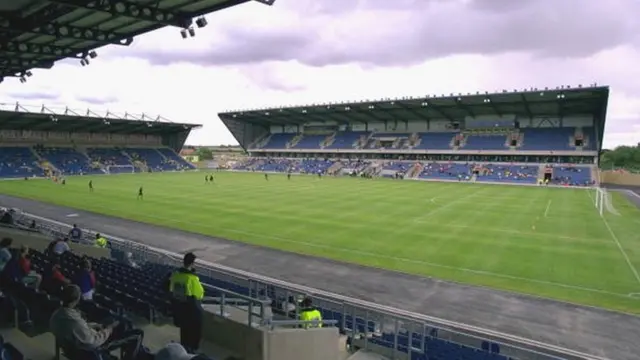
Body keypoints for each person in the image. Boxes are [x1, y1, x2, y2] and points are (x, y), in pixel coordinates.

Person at [50, 285, 143, 360]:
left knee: (116, 323)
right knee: (138, 333)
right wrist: (108, 329)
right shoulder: (74, 321)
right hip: (91, 350)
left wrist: (95, 325)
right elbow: (92, 342)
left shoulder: (56, 314)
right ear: (76, 300)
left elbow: (77, 328)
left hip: (72, 346)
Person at [169, 252, 204, 353]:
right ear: (192, 264)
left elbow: (170, 289)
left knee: (184, 333)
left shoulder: (175, 275)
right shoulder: (192, 278)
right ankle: (192, 351)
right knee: (194, 334)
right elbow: (200, 294)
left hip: (179, 310)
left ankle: (184, 349)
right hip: (191, 311)